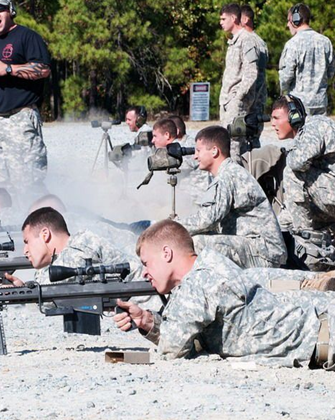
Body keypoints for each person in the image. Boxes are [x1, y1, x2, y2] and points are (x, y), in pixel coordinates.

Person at [113, 219, 335, 369]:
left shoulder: (197, 284)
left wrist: (120, 357)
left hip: (325, 340)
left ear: (166, 253)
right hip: (322, 326)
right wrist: (147, 321)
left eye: (146, 263)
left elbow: (172, 351)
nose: (145, 272)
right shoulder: (209, 265)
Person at [4, 207, 144, 334]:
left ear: (45, 234)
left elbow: (49, 289)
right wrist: (22, 289)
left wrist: (24, 290)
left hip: (150, 301)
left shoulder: (78, 250)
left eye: (27, 241)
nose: (25, 250)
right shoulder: (76, 248)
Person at [0, 0, 51, 197]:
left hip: (20, 119)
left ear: (11, 11)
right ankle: (2, 225)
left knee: (28, 184)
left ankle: (37, 223)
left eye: (0, 9)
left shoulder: (27, 36)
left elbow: (43, 69)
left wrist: (9, 68)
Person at [179, 126, 286, 268]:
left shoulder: (227, 176)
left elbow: (208, 219)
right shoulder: (229, 172)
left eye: (198, 150)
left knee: (195, 242)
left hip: (264, 252)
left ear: (214, 151)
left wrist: (174, 227)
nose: (195, 156)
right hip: (256, 247)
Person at [270, 95, 335, 270]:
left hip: (331, 194)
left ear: (294, 116)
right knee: (281, 223)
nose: (272, 124)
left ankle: (306, 242)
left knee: (292, 172)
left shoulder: (315, 126)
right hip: (328, 195)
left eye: (276, 118)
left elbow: (297, 161)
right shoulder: (304, 134)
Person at [218, 3, 259, 162]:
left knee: (233, 145)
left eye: (223, 19)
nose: (221, 22)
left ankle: (235, 181)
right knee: (227, 144)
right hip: (228, 100)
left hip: (236, 102)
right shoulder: (234, 41)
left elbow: (251, 72)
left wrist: (238, 98)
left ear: (234, 18)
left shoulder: (246, 40)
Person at [279, 3, 335, 116]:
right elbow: (330, 73)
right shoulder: (325, 42)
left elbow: (285, 78)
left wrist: (283, 90)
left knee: (302, 133)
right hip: (321, 103)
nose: (287, 25)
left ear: (295, 20)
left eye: (289, 21)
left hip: (300, 104)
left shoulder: (293, 44)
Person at [240, 4, 268, 116]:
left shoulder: (249, 40)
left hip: (250, 100)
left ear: (246, 20)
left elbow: (253, 73)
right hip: (257, 99)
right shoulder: (260, 41)